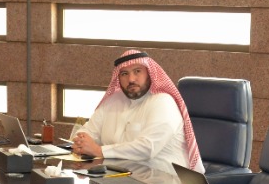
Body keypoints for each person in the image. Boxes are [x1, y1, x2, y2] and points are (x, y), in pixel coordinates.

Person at [69, 50, 203, 170]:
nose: (131, 79)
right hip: (120, 177)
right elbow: (87, 132)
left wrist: (99, 151)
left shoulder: (163, 102)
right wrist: (81, 143)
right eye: (124, 74)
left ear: (149, 73)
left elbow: (147, 148)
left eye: (137, 71)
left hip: (163, 182)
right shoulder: (113, 100)